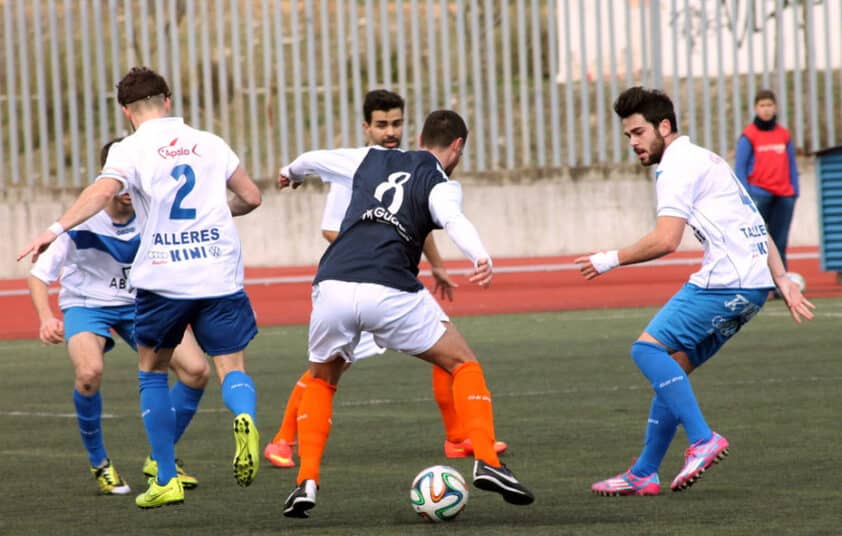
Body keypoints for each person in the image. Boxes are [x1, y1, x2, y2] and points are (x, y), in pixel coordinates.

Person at [18, 67, 263, 509]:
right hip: (218, 273)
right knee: (229, 365)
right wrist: (217, 214)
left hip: (165, 279)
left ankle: (165, 476)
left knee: (153, 371)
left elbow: (101, 190)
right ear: (167, 101)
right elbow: (251, 197)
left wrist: (54, 227)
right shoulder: (211, 142)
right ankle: (244, 415)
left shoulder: (131, 149)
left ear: (126, 112)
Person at [277, 109, 534, 518]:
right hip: (389, 288)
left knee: (322, 381)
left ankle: (305, 480)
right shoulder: (440, 181)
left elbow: (312, 158)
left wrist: (290, 173)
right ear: (458, 147)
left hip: (333, 284)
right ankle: (488, 460)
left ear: (418, 136)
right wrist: (479, 255)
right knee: (462, 363)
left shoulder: (371, 157)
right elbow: (453, 220)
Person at [575, 87, 815, 496]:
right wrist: (782, 280)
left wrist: (609, 258)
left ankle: (703, 439)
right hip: (752, 288)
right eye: (628, 135)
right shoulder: (706, 157)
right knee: (674, 367)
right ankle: (644, 473)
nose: (633, 143)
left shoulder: (676, 167)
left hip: (724, 282)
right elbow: (756, 224)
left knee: (646, 350)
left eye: (637, 133)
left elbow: (667, 239)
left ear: (663, 127)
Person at [27, 138, 210, 495]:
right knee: (89, 372)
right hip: (86, 303)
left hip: (141, 303)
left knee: (197, 371)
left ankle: (161, 458)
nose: (130, 187)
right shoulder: (81, 219)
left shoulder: (153, 213)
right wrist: (46, 317)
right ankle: (100, 463)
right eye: (123, 179)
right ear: (107, 178)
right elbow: (39, 274)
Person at [734, 89, 799, 271]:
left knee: (780, 241)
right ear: (756, 108)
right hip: (759, 195)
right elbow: (740, 168)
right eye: (762, 105)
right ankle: (757, 280)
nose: (766, 109)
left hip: (784, 195)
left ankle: (780, 284)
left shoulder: (783, 134)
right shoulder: (749, 135)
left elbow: (792, 164)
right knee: (757, 242)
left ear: (775, 107)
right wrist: (747, 196)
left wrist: (794, 192)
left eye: (769, 105)